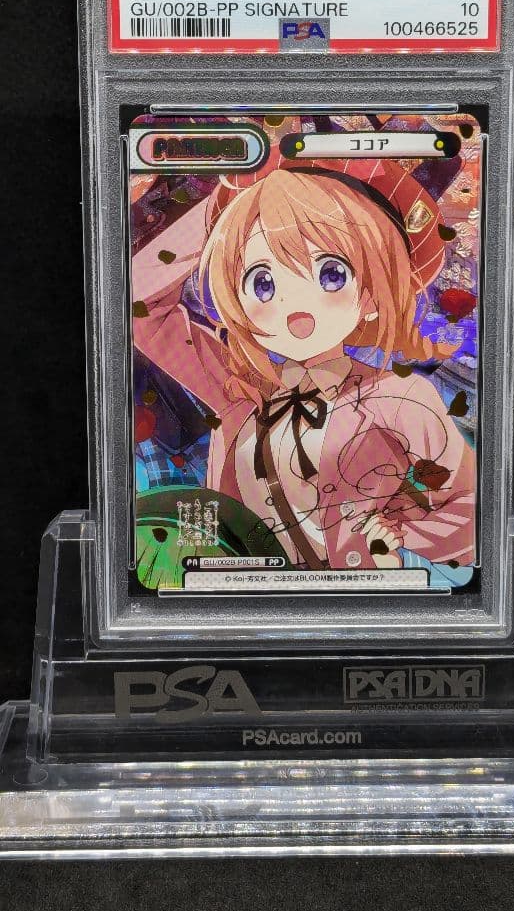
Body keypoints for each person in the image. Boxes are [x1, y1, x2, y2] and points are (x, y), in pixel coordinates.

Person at [132, 148, 475, 587]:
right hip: (246, 601)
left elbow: (473, 511)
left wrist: (403, 531)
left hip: (354, 603)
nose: (292, 304)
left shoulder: (399, 398)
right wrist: (227, 209)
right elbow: (140, 305)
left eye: (331, 274)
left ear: (372, 294)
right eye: (262, 282)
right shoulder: (240, 390)